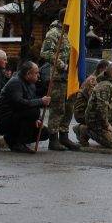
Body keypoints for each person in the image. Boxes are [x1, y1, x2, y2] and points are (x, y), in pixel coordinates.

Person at [40, 12, 79, 151]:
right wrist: (63, 65)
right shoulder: (54, 33)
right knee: (58, 108)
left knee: (69, 108)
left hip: (71, 78)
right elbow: (45, 52)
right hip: (58, 76)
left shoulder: (73, 33)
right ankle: (53, 139)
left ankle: (64, 135)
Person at [0, 61, 51, 153]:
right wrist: (41, 101)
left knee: (44, 132)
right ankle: (18, 143)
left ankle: (14, 139)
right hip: (6, 118)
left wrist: (38, 119)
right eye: (36, 73)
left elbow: (32, 101)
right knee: (32, 112)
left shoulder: (31, 84)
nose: (38, 76)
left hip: (18, 116)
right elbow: (19, 103)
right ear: (28, 73)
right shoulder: (15, 82)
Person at [72, 59, 108, 146]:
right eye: (107, 70)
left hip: (88, 109)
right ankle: (81, 129)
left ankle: (85, 132)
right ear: (102, 69)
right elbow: (94, 100)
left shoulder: (100, 79)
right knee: (102, 116)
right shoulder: (93, 80)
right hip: (82, 112)